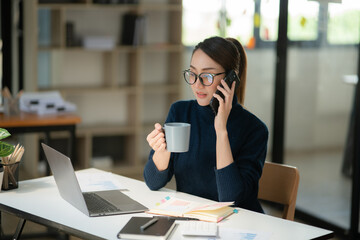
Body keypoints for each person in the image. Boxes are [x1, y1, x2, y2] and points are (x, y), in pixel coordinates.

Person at [143, 36, 268, 213]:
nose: (197, 84)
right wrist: (161, 151)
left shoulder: (254, 130)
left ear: (231, 79)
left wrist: (221, 131)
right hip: (194, 218)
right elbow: (152, 182)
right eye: (193, 74)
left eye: (207, 76)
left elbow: (231, 199)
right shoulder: (180, 112)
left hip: (238, 224)